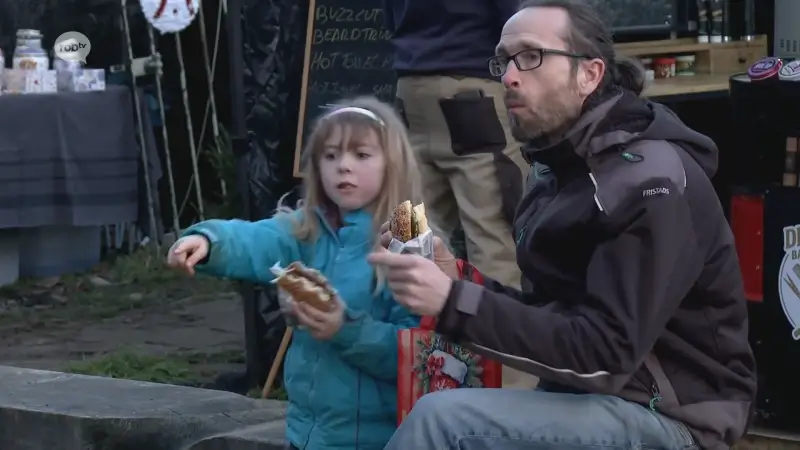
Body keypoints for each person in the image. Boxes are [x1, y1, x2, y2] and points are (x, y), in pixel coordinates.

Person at [369, 1, 757, 449]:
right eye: (503, 61)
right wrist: (458, 281)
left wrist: (454, 302)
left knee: (440, 421)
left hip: (674, 419)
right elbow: (555, 318)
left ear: (589, 74)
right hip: (595, 400)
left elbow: (605, 354)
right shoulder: (555, 172)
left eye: (531, 56)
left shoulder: (649, 182)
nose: (509, 77)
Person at [166, 97, 420, 450]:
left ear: (394, 164)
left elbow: (419, 354)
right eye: (330, 156)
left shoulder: (410, 237)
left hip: (381, 439)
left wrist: (344, 329)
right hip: (305, 434)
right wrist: (209, 240)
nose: (343, 166)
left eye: (361, 155)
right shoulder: (310, 225)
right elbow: (257, 238)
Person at [383, 0, 530, 289]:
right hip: (474, 89)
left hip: (410, 89)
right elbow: (520, 19)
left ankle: (405, 313)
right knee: (496, 234)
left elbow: (390, 16)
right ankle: (492, 318)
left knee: (409, 230)